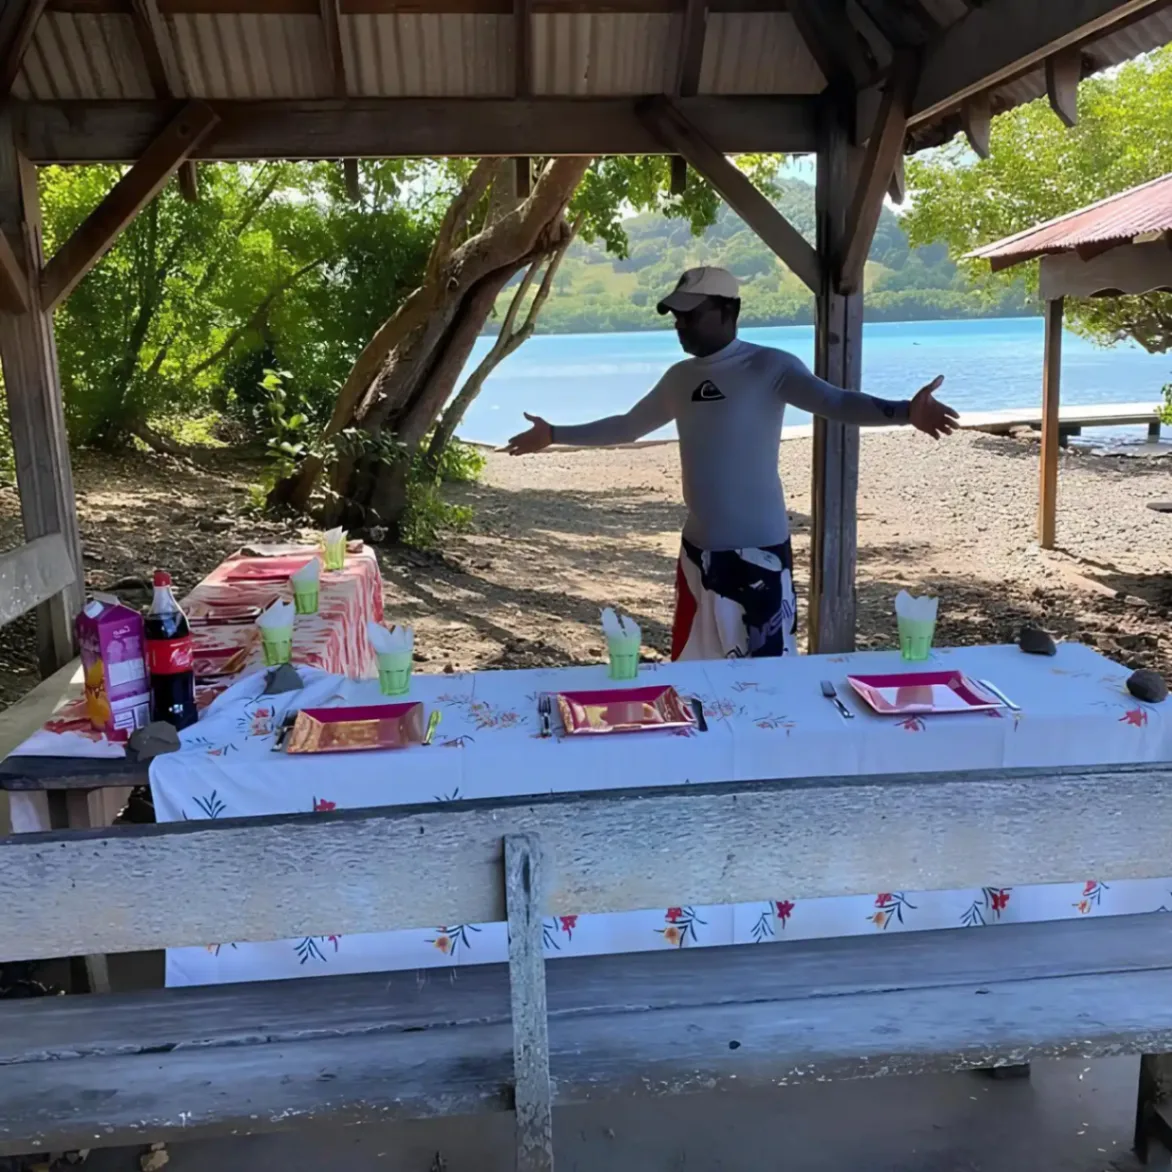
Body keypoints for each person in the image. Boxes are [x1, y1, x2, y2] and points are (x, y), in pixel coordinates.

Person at [506, 266, 957, 661]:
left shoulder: (769, 366)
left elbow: (835, 402)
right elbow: (627, 427)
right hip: (696, 557)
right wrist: (554, 435)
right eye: (676, 316)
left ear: (729, 311)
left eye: (691, 314)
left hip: (759, 557)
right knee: (694, 676)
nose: (680, 325)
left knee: (769, 682)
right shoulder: (680, 377)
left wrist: (903, 411)